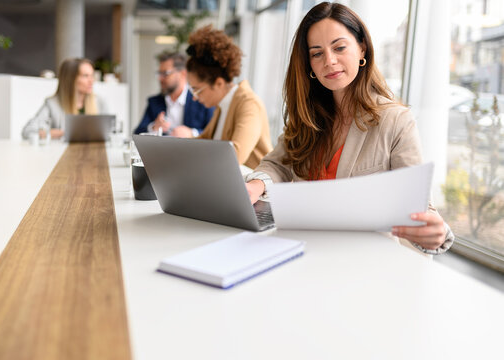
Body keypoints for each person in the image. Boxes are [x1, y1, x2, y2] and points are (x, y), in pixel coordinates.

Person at [245, 2, 454, 254]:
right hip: (301, 250)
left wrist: (437, 234)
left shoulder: (395, 121)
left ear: (362, 47)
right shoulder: (308, 117)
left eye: (339, 47)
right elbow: (278, 164)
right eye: (317, 53)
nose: (329, 61)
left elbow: (421, 209)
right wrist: (255, 185)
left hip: (362, 263)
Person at [185, 25, 273, 169]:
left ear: (219, 83)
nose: (194, 97)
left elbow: (235, 156)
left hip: (253, 187)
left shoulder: (248, 103)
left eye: (196, 90)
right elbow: (205, 140)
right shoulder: (223, 106)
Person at [22, 57, 106, 140]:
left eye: (92, 75)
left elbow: (111, 132)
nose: (91, 80)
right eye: (85, 76)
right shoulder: (52, 104)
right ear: (71, 79)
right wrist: (61, 133)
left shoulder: (99, 102)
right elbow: (27, 131)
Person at [133, 52, 214, 137]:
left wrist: (192, 133)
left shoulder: (201, 100)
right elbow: (137, 133)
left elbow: (214, 134)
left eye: (165, 73)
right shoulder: (154, 102)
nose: (160, 78)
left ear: (183, 74)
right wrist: (154, 127)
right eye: (159, 73)